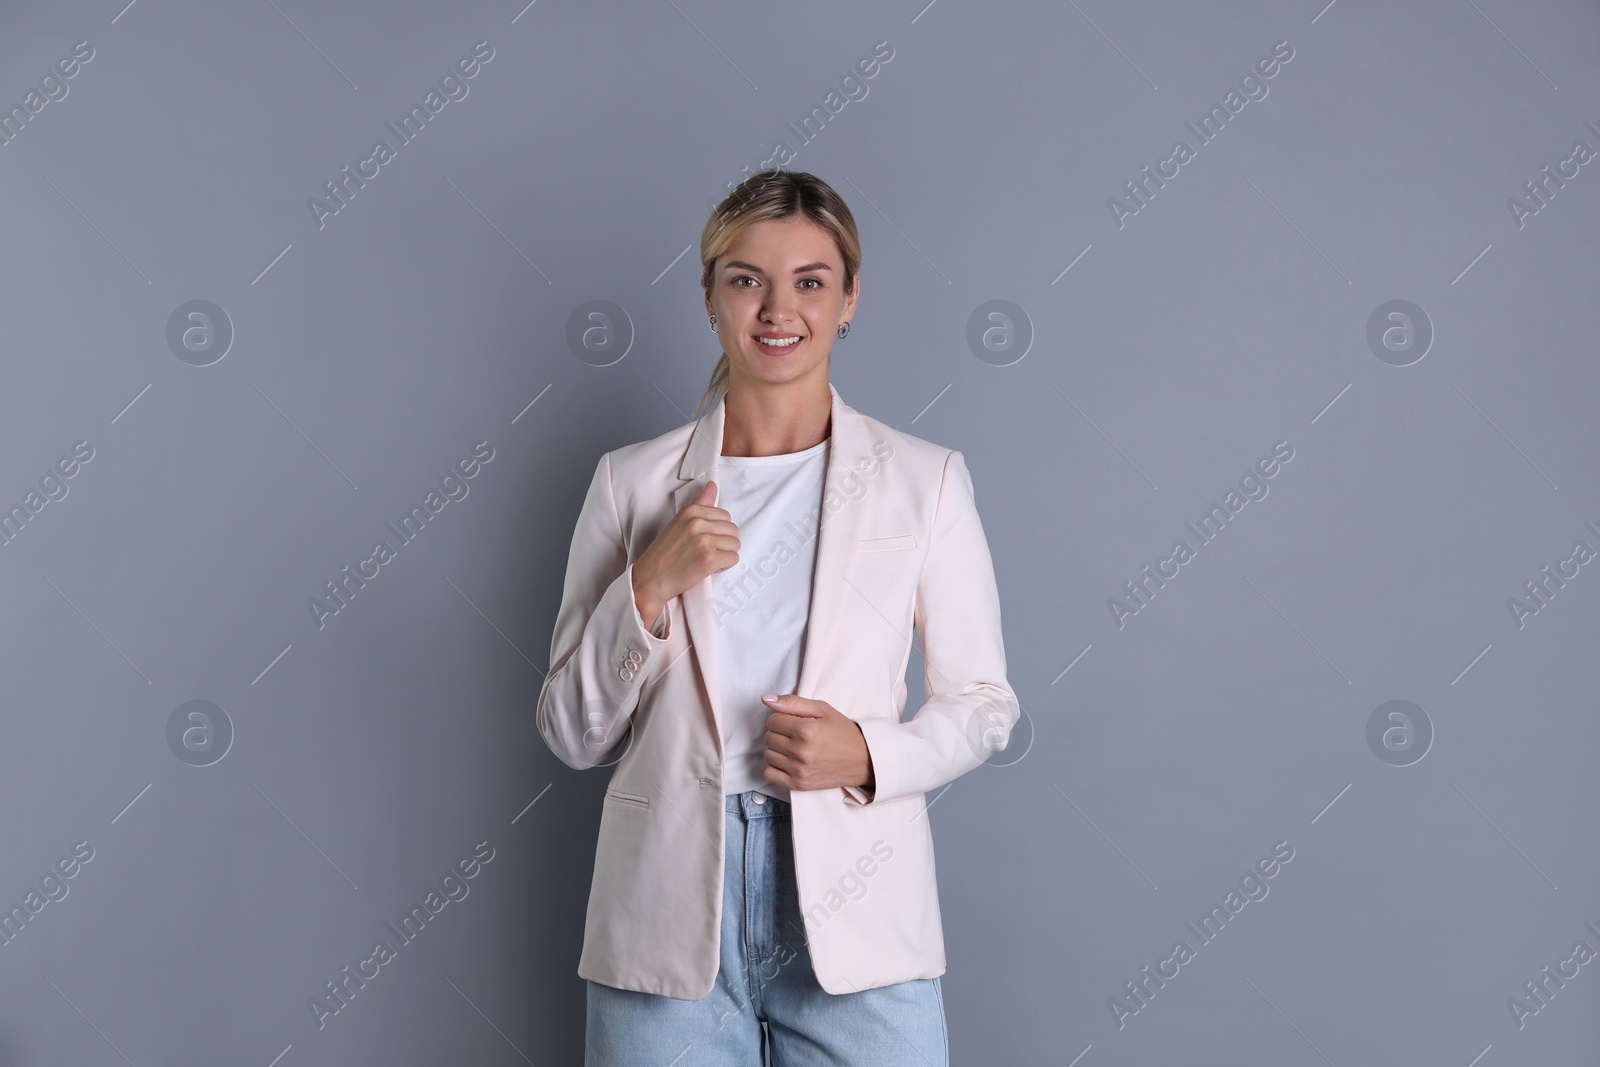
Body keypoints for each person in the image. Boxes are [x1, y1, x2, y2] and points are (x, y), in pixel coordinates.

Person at [537, 169, 1021, 1066]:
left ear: (848, 300)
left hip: (858, 900)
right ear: (712, 297)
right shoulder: (632, 484)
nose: (776, 307)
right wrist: (646, 585)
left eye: (809, 280)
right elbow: (571, 732)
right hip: (670, 906)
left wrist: (869, 753)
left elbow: (986, 703)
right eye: (746, 278)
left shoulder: (926, 478)